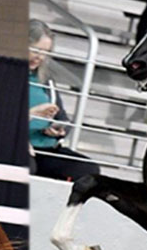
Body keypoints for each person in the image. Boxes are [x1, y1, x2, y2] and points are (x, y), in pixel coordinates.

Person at [28, 20, 100, 181]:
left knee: (88, 170)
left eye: (45, 52)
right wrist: (32, 114)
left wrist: (58, 129)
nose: (40, 57)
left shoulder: (47, 81)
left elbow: (63, 119)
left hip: (48, 148)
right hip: (21, 147)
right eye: (36, 50)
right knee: (28, 166)